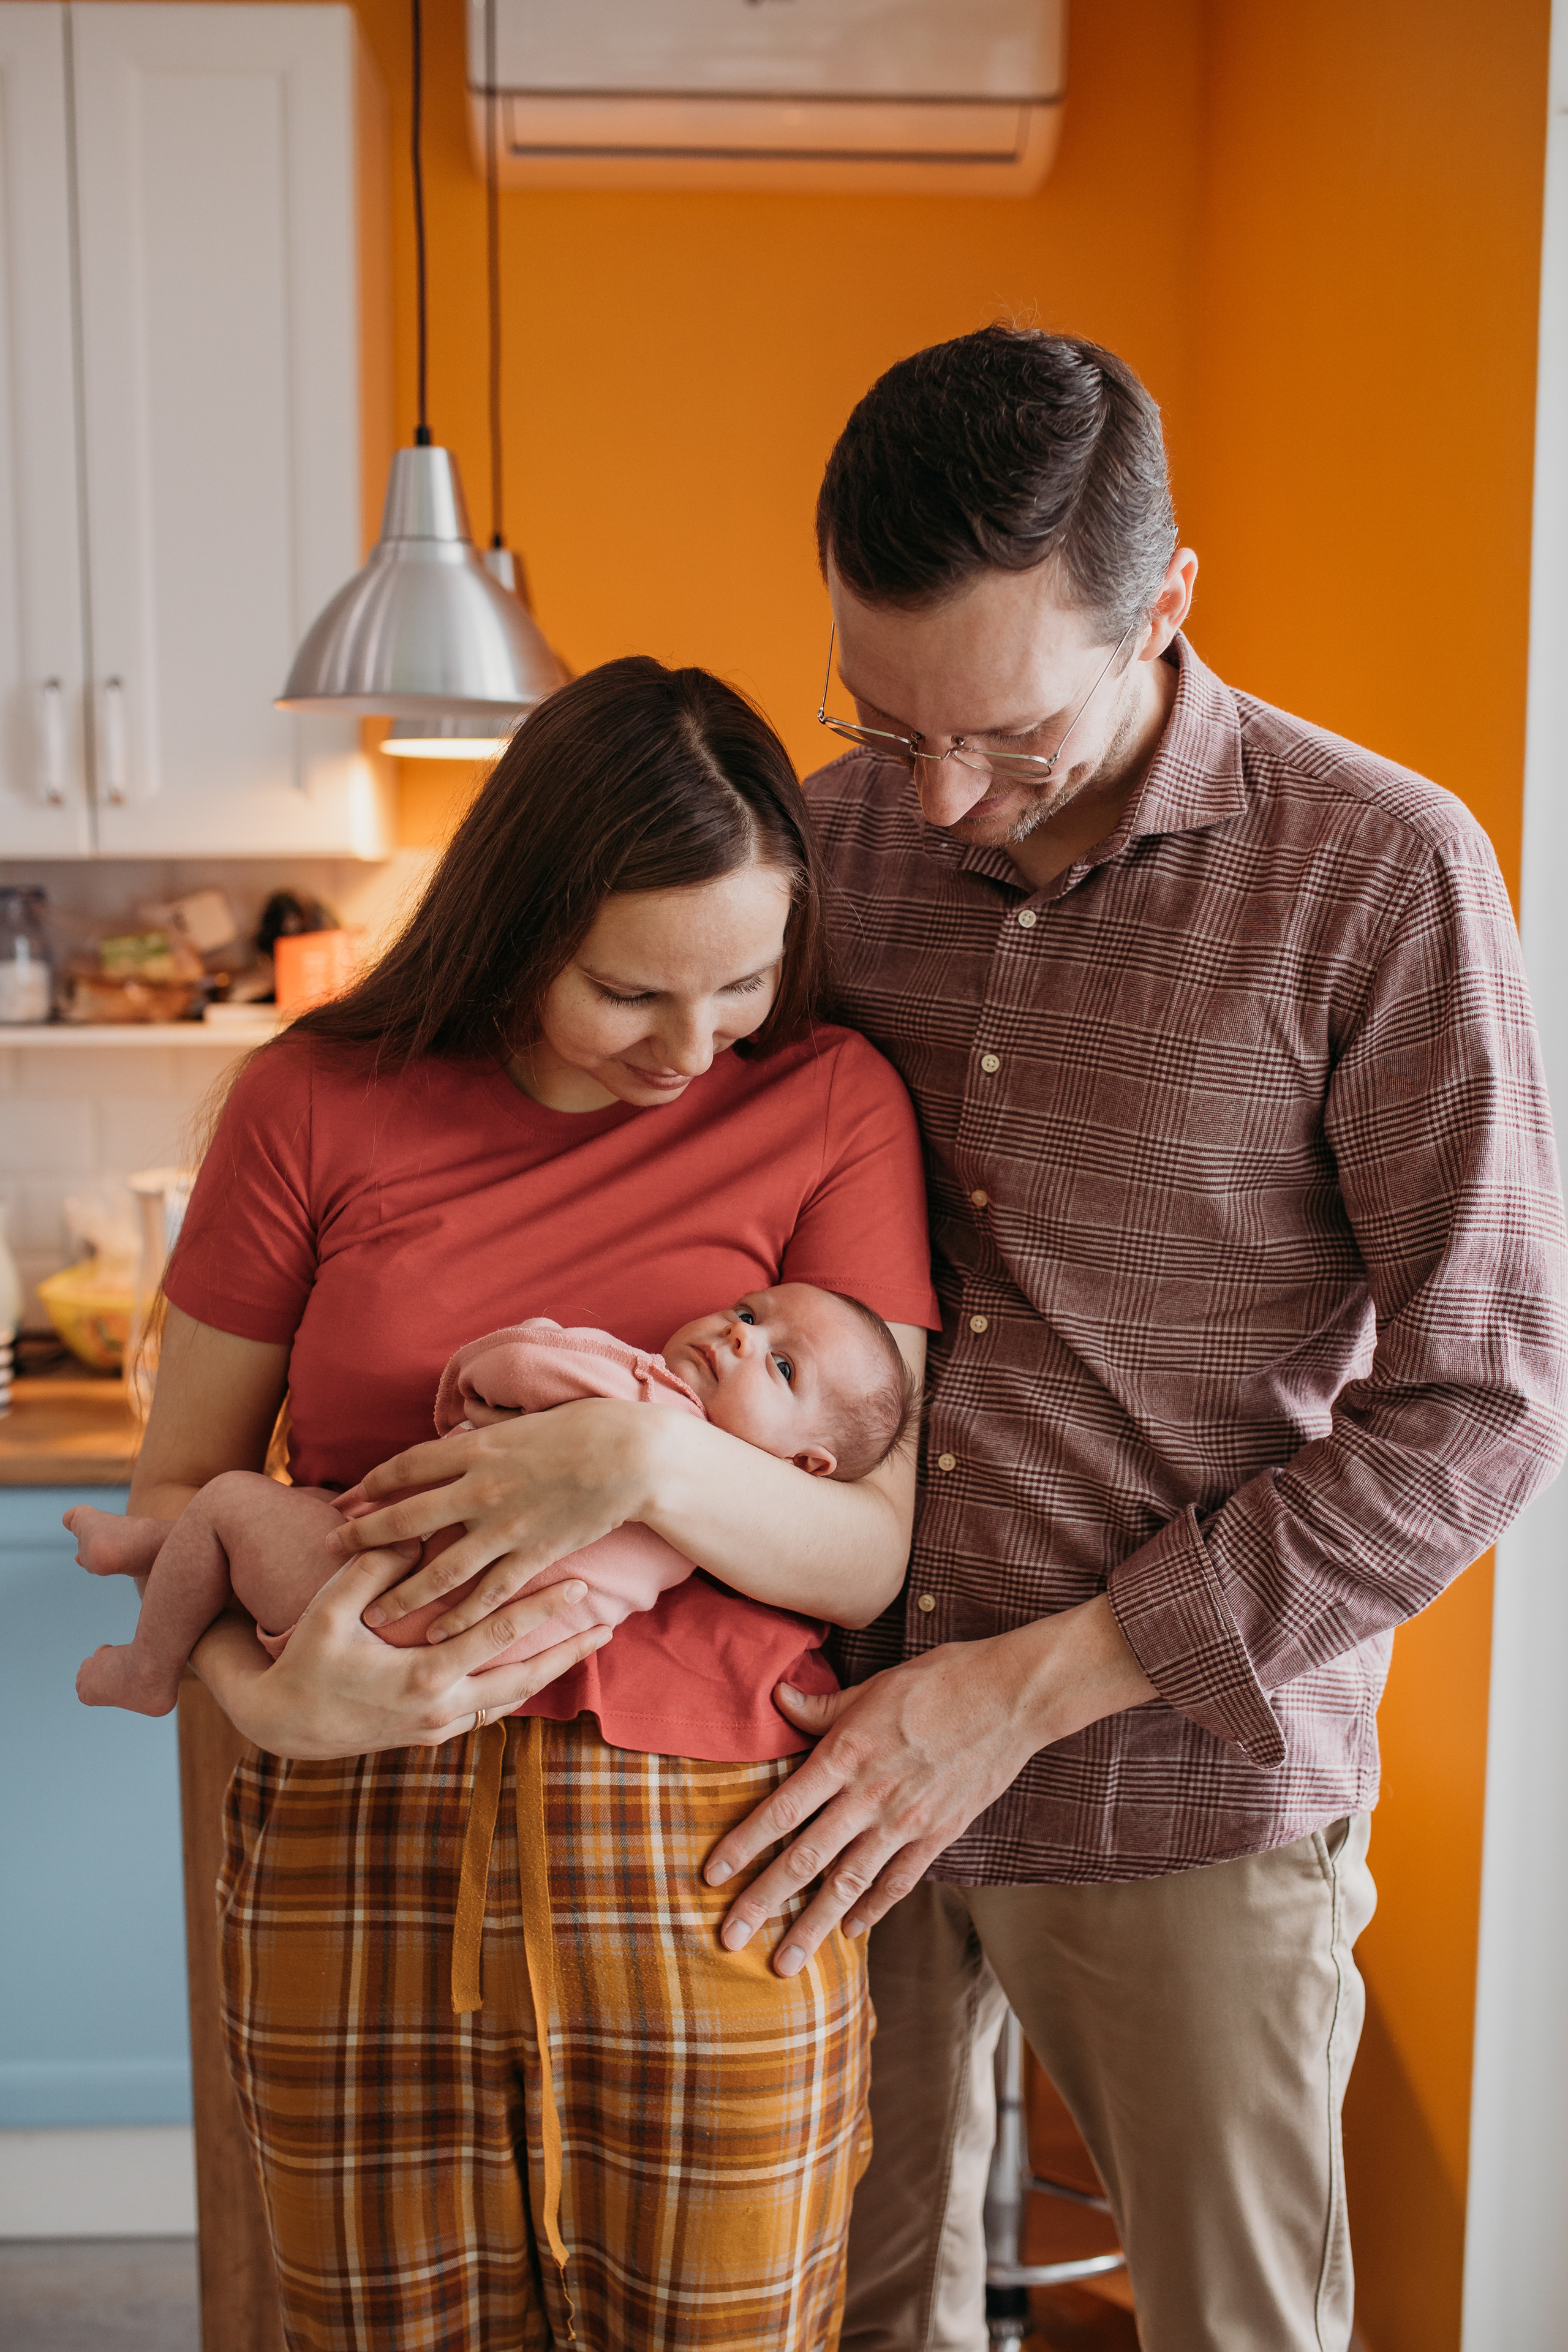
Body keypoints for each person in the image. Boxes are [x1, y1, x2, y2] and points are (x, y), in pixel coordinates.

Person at [672, 328, 1565, 2352]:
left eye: (1003, 734)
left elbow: (1485, 1405)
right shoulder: (834, 841)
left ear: (1165, 607)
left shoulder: (1383, 876)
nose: (938, 794)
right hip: (825, 1767)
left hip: (1189, 1804)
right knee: (825, 2322)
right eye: (882, 721)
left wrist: (1026, 1691)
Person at [141, 656, 938, 2352]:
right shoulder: (309, 1104)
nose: (693, 1048)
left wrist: (646, 1462)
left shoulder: (829, 1105)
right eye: (631, 994)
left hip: (716, 1877)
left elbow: (873, 1540)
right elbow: (175, 1491)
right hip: (353, 1843)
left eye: (741, 986)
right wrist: (265, 1691)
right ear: (516, 927)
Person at [67, 1284, 914, 1717]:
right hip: (428, 1615)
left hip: (374, 1600)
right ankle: (145, 1542)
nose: (741, 1334)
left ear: (808, 1464)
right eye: (748, 1312)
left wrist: (519, 1358)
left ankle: (149, 1670)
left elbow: (512, 1365)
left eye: (782, 1366)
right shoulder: (721, 1528)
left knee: (232, 1503)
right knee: (286, 1513)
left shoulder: (655, 1412)